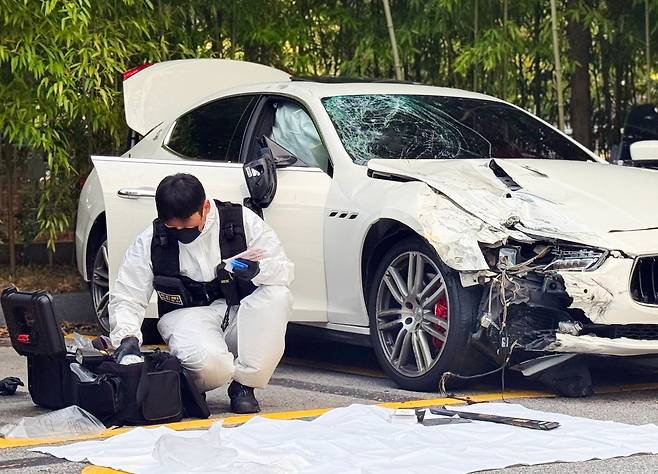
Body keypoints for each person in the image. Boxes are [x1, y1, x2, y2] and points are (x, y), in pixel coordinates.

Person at [108, 173, 294, 414]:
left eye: (187, 225)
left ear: (205, 207)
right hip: (187, 318)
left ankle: (244, 386)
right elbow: (128, 295)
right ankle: (192, 384)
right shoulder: (151, 241)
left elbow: (285, 272)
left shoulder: (241, 222)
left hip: (239, 313)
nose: (182, 231)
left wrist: (259, 270)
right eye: (174, 227)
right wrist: (127, 337)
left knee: (278, 296)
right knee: (213, 368)